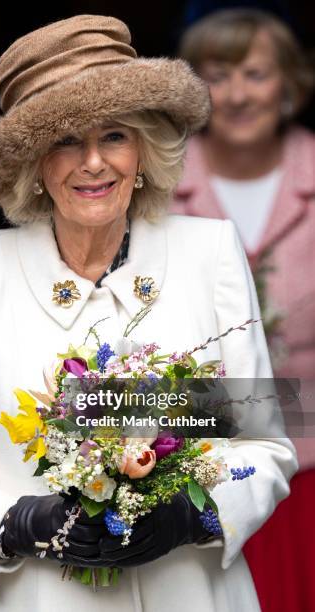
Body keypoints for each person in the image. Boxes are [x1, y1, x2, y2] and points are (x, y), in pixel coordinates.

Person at [0, 15, 297, 612]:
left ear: (142, 150)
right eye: (64, 141)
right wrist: (20, 523)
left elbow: (269, 445)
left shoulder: (209, 251)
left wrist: (197, 515)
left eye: (114, 136)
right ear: (34, 164)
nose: (93, 164)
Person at [171, 8, 314, 612]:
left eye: (254, 74)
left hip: (311, 477)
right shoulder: (155, 185)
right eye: (216, 75)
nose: (235, 95)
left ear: (289, 81)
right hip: (191, 479)